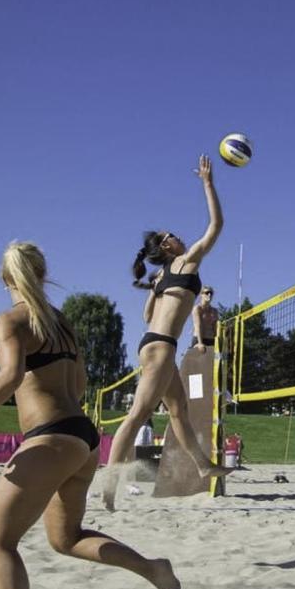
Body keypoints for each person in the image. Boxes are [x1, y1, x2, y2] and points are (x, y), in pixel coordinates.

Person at [0, 242, 181, 589]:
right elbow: (80, 384)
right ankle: (152, 568)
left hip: (50, 436)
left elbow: (11, 374)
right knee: (65, 538)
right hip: (82, 436)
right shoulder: (61, 322)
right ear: (43, 273)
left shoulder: (10, 321)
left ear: (5, 278)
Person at [103, 155, 231, 510]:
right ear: (166, 247)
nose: (176, 235)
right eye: (170, 236)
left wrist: (159, 293)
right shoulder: (186, 261)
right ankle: (110, 483)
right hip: (161, 348)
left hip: (154, 345)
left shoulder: (159, 278)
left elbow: (147, 316)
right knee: (136, 416)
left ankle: (205, 468)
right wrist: (207, 183)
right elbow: (216, 225)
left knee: (179, 414)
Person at [191, 284, 219, 352]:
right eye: (207, 293)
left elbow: (215, 328)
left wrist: (218, 342)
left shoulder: (214, 311)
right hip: (199, 339)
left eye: (211, 293)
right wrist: (200, 343)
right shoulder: (197, 309)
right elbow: (198, 326)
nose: (209, 295)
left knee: (217, 359)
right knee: (198, 361)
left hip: (211, 339)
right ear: (201, 294)